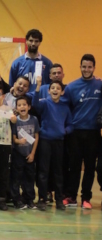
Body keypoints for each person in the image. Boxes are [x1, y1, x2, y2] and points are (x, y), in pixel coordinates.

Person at [63, 54, 102, 209]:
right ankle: (71, 196)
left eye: (89, 67)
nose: (86, 69)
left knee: (90, 167)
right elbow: (64, 108)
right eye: (84, 67)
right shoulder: (71, 87)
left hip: (93, 132)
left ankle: (86, 198)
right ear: (80, 67)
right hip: (75, 133)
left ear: (94, 67)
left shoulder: (100, 84)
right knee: (74, 166)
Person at [33, 77, 73, 211]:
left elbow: (70, 124)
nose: (55, 90)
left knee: (58, 172)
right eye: (53, 88)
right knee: (43, 171)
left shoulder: (65, 108)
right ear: (49, 91)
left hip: (59, 142)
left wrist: (64, 131)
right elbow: (35, 105)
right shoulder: (44, 103)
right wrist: (38, 87)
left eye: (58, 88)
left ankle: (59, 200)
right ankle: (42, 199)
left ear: (62, 92)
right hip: (45, 141)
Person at [11, 96, 39, 209]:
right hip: (18, 154)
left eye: (24, 104)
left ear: (29, 107)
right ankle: (16, 200)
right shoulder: (15, 121)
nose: (22, 107)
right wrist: (19, 141)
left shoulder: (34, 120)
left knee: (29, 178)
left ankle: (29, 199)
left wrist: (32, 153)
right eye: (19, 105)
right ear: (16, 108)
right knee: (16, 178)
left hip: (29, 154)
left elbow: (37, 137)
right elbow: (13, 138)